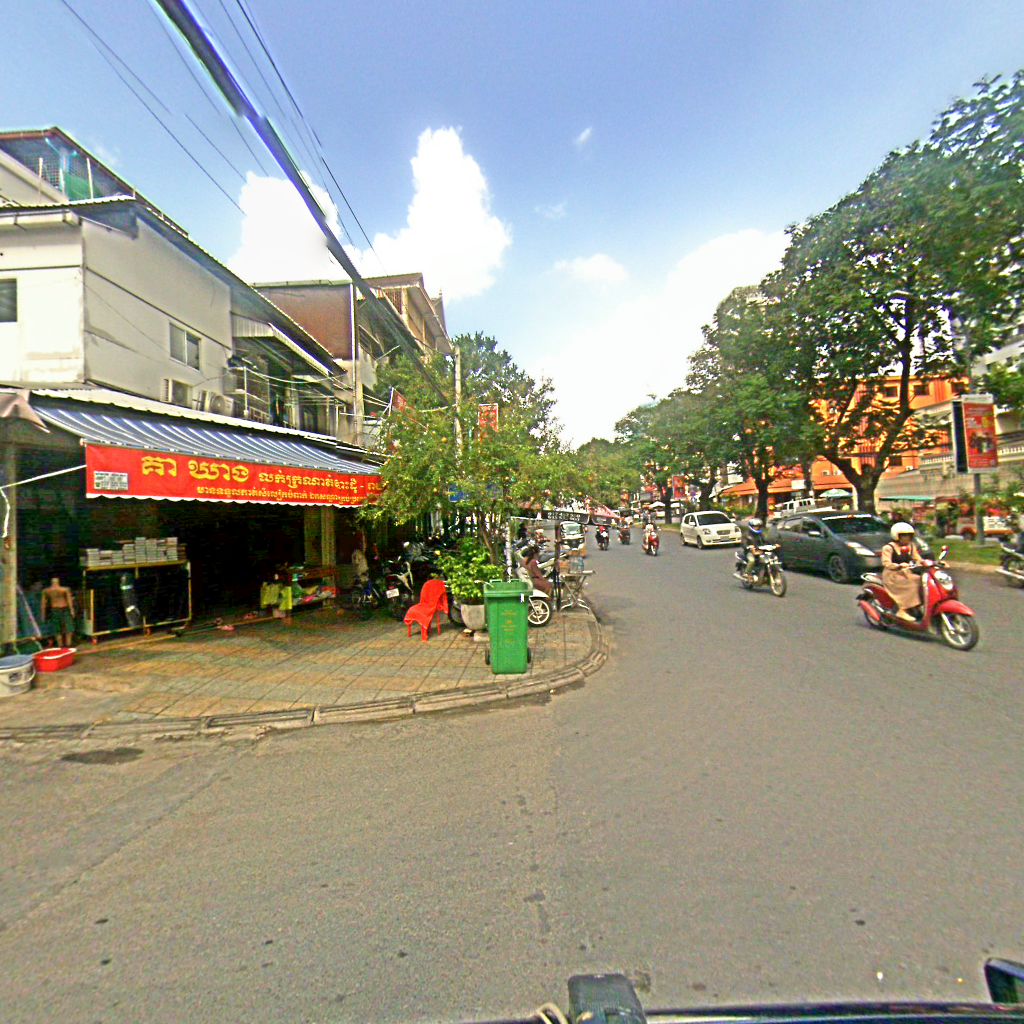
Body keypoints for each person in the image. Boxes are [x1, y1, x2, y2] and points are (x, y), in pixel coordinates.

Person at [881, 522, 925, 621]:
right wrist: (898, 566)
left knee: (921, 581)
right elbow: (886, 563)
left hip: (906, 573)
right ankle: (902, 610)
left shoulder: (911, 546)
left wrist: (928, 563)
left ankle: (916, 605)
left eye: (909, 536)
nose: (907, 538)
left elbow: (918, 558)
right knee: (910, 584)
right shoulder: (889, 547)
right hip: (892, 575)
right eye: (904, 535)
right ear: (896, 536)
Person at [41, 576, 75, 648]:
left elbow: (44, 604)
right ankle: (64, 645)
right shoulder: (63, 589)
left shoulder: (47, 591)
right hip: (59, 609)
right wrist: (72, 610)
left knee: (64, 628)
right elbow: (43, 603)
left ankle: (65, 645)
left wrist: (43, 615)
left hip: (59, 609)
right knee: (62, 628)